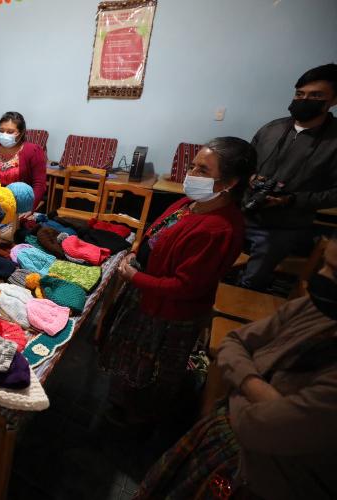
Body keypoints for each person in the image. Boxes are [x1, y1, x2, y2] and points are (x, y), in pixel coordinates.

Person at [135, 234, 337, 500]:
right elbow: (234, 341)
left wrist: (237, 383)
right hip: (223, 440)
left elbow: (254, 429)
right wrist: (261, 392)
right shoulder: (312, 309)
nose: (320, 277)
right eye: (325, 263)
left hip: (261, 481)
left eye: (335, 272)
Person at [99, 137, 256, 425]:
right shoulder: (190, 203)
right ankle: (120, 403)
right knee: (129, 358)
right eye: (193, 166)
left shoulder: (218, 229)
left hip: (166, 312)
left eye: (203, 171)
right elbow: (155, 232)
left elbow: (185, 287)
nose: (191, 175)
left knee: (150, 370)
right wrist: (136, 251)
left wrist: (136, 276)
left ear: (230, 182)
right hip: (145, 292)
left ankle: (136, 422)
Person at [240, 63, 337, 291]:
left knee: (251, 281)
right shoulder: (272, 129)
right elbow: (244, 163)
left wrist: (291, 199)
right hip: (244, 212)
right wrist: (250, 177)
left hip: (284, 226)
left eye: (315, 96)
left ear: (332, 100)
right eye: (300, 94)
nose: (304, 100)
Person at [0, 111, 46, 214]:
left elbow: (39, 185)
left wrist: (29, 209)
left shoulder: (33, 151)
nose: (4, 134)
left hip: (19, 209)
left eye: (10, 132)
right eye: (1, 130)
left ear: (21, 132)